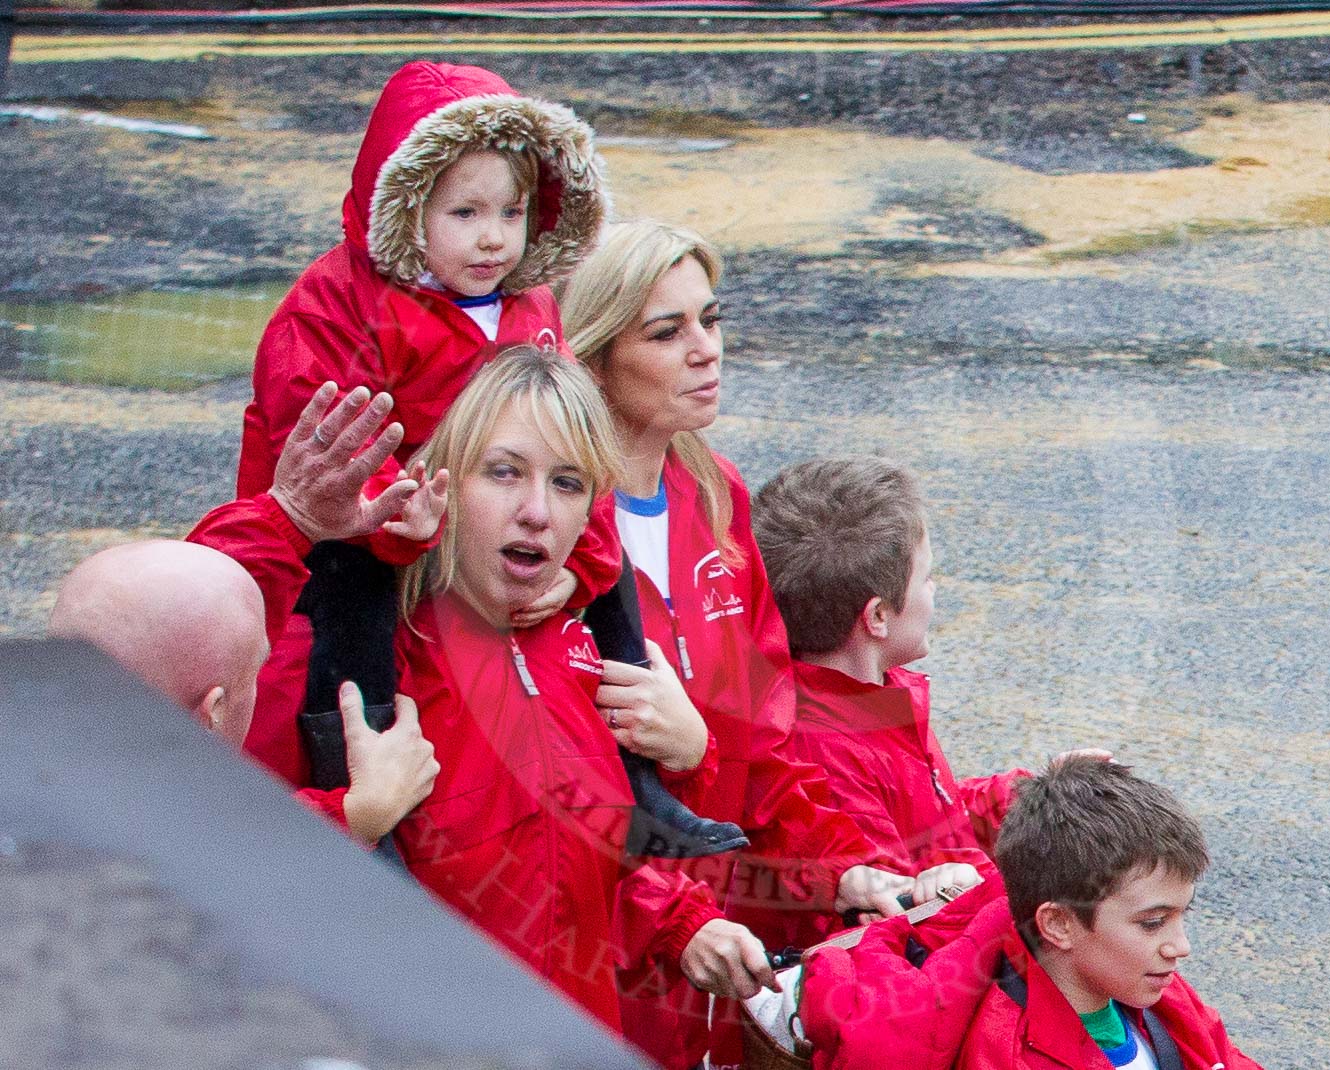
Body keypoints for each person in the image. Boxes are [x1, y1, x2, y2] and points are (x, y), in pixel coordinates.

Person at [559, 219, 914, 1067]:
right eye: (666, 332)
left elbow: (769, 755)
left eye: (710, 321)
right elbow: (560, 804)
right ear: (595, 355)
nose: (705, 350)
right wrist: (693, 758)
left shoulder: (715, 498)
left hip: (718, 956)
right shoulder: (553, 527)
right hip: (606, 964)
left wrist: (850, 873)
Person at [232, 59, 617, 795]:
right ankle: (350, 774)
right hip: (361, 536)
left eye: (511, 213)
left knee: (614, 579)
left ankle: (642, 773)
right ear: (407, 209)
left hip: (475, 529)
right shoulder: (338, 302)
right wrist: (391, 513)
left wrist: (585, 562)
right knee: (348, 626)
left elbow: (572, 434)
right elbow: (318, 433)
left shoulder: (528, 303)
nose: (494, 240)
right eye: (464, 214)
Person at [389, 344, 777, 1033]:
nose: (537, 511)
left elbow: (576, 854)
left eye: (567, 484)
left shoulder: (579, 652)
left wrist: (683, 925)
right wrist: (347, 815)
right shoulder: (382, 659)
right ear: (440, 479)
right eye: (504, 473)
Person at [50, 385, 442, 847]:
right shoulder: (126, 841)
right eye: (256, 670)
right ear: (211, 714)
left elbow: (185, 607)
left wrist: (289, 517)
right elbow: (221, 849)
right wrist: (358, 813)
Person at [799, 757, 1264, 1070]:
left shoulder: (1156, 996)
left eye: (1182, 916)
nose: (1181, 947)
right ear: (1059, 923)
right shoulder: (1009, 1053)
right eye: (1152, 923)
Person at [751, 457, 1030, 945]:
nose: (934, 589)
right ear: (877, 616)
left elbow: (929, 822)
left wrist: (1020, 802)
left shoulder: (877, 693)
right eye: (926, 577)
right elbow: (902, 924)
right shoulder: (823, 753)